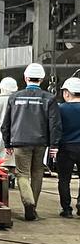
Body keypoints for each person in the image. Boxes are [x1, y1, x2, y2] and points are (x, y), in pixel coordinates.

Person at [1, 62, 62, 221]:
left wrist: (7, 143)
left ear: (25, 78)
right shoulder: (49, 98)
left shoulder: (14, 97)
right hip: (40, 142)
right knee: (37, 173)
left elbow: (6, 123)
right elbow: (55, 124)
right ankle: (33, 208)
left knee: (22, 174)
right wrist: (54, 145)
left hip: (20, 141)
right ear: (41, 79)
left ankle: (28, 202)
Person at [56, 77, 80, 218]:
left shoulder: (60, 109)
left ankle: (67, 209)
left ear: (67, 93)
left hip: (66, 147)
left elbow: (56, 128)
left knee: (64, 179)